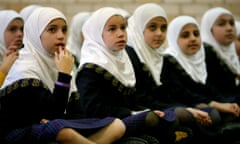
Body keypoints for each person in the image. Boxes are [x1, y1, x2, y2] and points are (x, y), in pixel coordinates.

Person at [0, 7, 125, 144]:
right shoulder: (25, 69)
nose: (60, 36)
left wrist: (72, 121)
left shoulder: (60, 62)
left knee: (117, 125)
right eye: (52, 30)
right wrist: (64, 76)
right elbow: (52, 114)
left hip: (56, 125)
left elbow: (78, 111)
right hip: (20, 133)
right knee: (63, 131)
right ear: (36, 34)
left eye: (64, 30)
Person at [75, 6, 191, 144]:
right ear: (96, 33)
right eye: (112, 29)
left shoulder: (124, 59)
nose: (120, 34)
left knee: (170, 120)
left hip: (125, 118)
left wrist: (144, 110)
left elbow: (133, 100)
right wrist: (133, 114)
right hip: (103, 125)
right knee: (152, 120)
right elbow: (93, 109)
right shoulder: (90, 68)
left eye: (123, 28)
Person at [125, 3, 212, 144]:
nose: (159, 33)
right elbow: (139, 98)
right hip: (140, 112)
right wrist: (181, 109)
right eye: (152, 27)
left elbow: (171, 92)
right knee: (185, 116)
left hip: (159, 107)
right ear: (138, 28)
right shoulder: (130, 55)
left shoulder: (160, 56)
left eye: (163, 28)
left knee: (200, 115)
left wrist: (187, 108)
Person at [201, 7, 240, 143]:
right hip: (218, 107)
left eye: (231, 23)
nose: (229, 28)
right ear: (209, 29)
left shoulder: (231, 53)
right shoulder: (205, 53)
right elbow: (208, 89)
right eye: (221, 24)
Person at [0, 10, 23, 86]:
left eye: (22, 29)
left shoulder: (24, 59)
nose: (20, 34)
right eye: (12, 29)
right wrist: (3, 71)